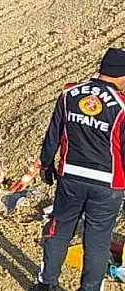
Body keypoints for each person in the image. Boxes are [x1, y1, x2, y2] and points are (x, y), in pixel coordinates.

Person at [32, 47, 125, 291]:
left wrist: (46, 163)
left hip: (71, 176)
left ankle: (46, 283)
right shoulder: (122, 106)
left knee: (59, 229)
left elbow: (53, 133)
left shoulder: (69, 94)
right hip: (108, 183)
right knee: (97, 241)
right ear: (120, 74)